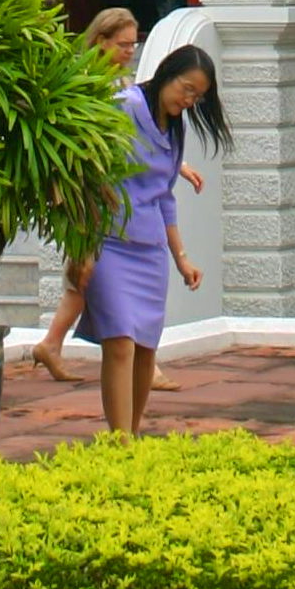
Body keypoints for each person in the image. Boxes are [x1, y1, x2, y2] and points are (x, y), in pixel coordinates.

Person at [30, 7, 201, 384]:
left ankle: (53, 345)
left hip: (123, 214)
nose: (129, 51)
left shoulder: (126, 90)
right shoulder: (88, 86)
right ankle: (58, 347)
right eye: (122, 44)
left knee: (84, 288)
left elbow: (144, 150)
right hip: (97, 208)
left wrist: (177, 166)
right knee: (85, 284)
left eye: (133, 44)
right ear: (100, 41)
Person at [78, 41, 231, 438]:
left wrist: (182, 258)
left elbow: (163, 195)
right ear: (166, 74)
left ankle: (132, 432)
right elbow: (90, 170)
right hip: (108, 242)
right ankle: (120, 439)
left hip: (150, 252)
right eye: (186, 88)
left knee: (146, 347)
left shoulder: (174, 126)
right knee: (120, 342)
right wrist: (82, 246)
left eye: (197, 96)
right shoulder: (124, 106)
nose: (189, 100)